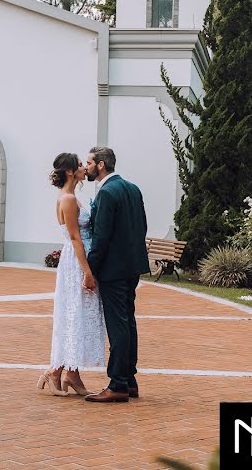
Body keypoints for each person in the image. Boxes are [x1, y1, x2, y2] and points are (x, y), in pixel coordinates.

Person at [83, 147, 149, 403]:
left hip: (113, 270)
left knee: (118, 325)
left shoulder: (108, 192)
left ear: (100, 165)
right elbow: (141, 225)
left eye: (89, 162)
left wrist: (91, 270)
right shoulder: (132, 188)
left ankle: (118, 384)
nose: (86, 167)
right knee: (128, 322)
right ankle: (129, 380)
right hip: (131, 267)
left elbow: (101, 237)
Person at [37, 153, 106, 397]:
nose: (82, 168)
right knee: (74, 314)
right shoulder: (67, 199)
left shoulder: (73, 197)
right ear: (69, 171)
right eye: (79, 165)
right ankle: (55, 373)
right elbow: (75, 238)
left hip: (79, 258)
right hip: (77, 262)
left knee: (79, 315)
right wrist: (87, 272)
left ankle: (72, 374)